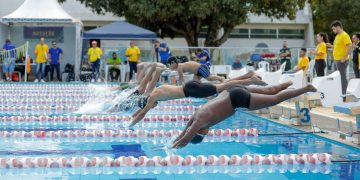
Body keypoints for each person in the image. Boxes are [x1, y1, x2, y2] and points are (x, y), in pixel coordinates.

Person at [172, 83, 317, 148]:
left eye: (205, 134)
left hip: (236, 99)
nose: (208, 132)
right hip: (230, 91)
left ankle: (305, 88)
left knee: (275, 100)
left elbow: (185, 139)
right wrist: (172, 142)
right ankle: (288, 83)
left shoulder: (201, 123)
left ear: (201, 132)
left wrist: (172, 148)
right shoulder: (196, 115)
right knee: (269, 90)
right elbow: (185, 131)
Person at [128, 71, 266, 127]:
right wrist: (133, 115)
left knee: (223, 86)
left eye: (150, 106)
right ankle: (248, 76)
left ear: (147, 103)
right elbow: (141, 110)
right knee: (221, 86)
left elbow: (142, 113)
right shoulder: (154, 91)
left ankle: (250, 80)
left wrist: (130, 125)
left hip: (191, 90)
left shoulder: (152, 98)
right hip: (189, 86)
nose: (153, 107)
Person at [326, 20, 352, 94]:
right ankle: (338, 93)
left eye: (334, 28)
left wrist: (344, 57)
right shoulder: (338, 36)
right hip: (336, 60)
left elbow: (349, 46)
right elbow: (338, 47)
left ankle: (344, 94)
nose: (333, 30)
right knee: (336, 78)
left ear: (338, 27)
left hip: (341, 60)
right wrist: (330, 46)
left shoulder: (344, 35)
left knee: (342, 77)